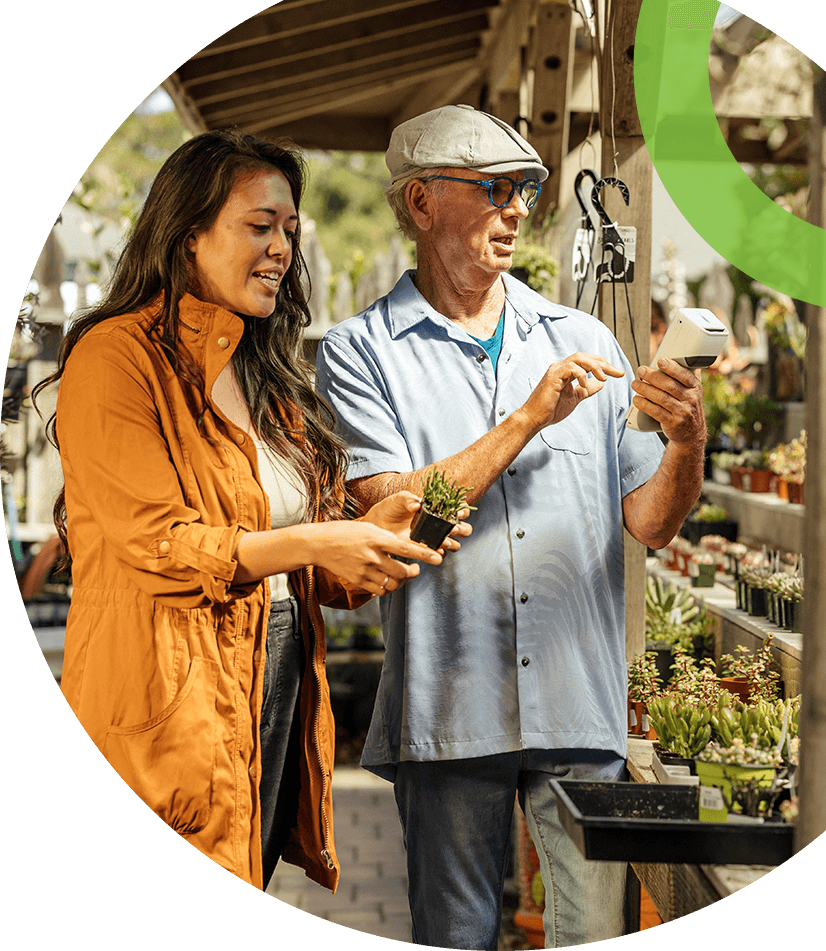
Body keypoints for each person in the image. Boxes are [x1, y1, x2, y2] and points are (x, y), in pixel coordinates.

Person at [315, 104, 706, 948]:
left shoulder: (584, 337)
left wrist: (686, 439)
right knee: (455, 934)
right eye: (495, 188)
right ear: (421, 203)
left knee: (595, 930)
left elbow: (652, 522)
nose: (519, 207)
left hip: (580, 705)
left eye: (526, 188)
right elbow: (393, 514)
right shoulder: (359, 352)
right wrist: (528, 418)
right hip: (450, 703)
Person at [35, 130, 465, 893]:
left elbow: (318, 569)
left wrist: (377, 540)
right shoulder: (115, 357)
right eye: (259, 226)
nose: (280, 249)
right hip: (168, 688)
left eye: (291, 232)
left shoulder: (264, 369)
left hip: (278, 673)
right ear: (189, 233)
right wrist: (318, 539)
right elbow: (161, 546)